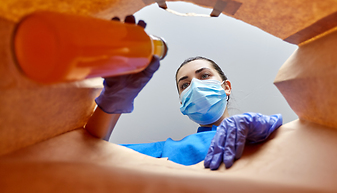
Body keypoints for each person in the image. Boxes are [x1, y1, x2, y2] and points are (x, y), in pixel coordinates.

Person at [85, 16, 282, 170]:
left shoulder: (259, 133)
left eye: (204, 76)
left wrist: (273, 132)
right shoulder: (165, 150)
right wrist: (115, 100)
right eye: (185, 85)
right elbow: (88, 153)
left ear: (226, 87)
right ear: (182, 103)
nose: (195, 86)